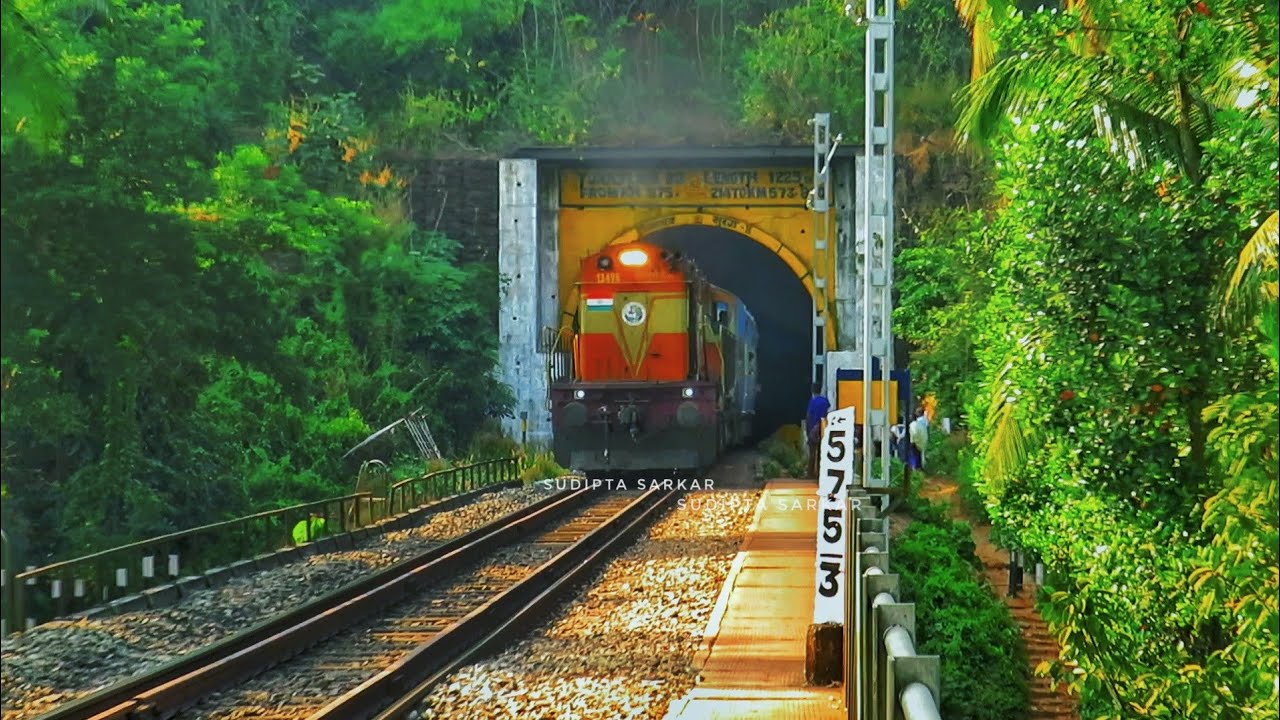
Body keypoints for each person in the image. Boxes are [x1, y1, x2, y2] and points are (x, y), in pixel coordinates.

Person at [805, 383, 831, 478]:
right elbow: (827, 413)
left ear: (812, 391)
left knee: (812, 453)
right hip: (822, 429)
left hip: (813, 429)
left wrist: (808, 431)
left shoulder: (812, 402)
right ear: (820, 389)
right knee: (822, 452)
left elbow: (809, 416)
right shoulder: (825, 401)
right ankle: (821, 474)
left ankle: (810, 474)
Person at [907, 406, 929, 471]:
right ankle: (919, 468)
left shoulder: (914, 424)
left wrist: (913, 441)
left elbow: (914, 433)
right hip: (922, 441)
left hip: (915, 442)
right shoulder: (923, 422)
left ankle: (915, 468)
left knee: (915, 456)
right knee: (920, 455)